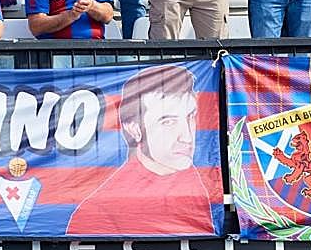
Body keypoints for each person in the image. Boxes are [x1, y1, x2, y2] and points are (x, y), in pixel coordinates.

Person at [66, 64, 216, 236]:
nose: (187, 137)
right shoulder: (96, 213)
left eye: (191, 117)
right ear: (134, 129)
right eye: (168, 122)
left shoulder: (199, 178)